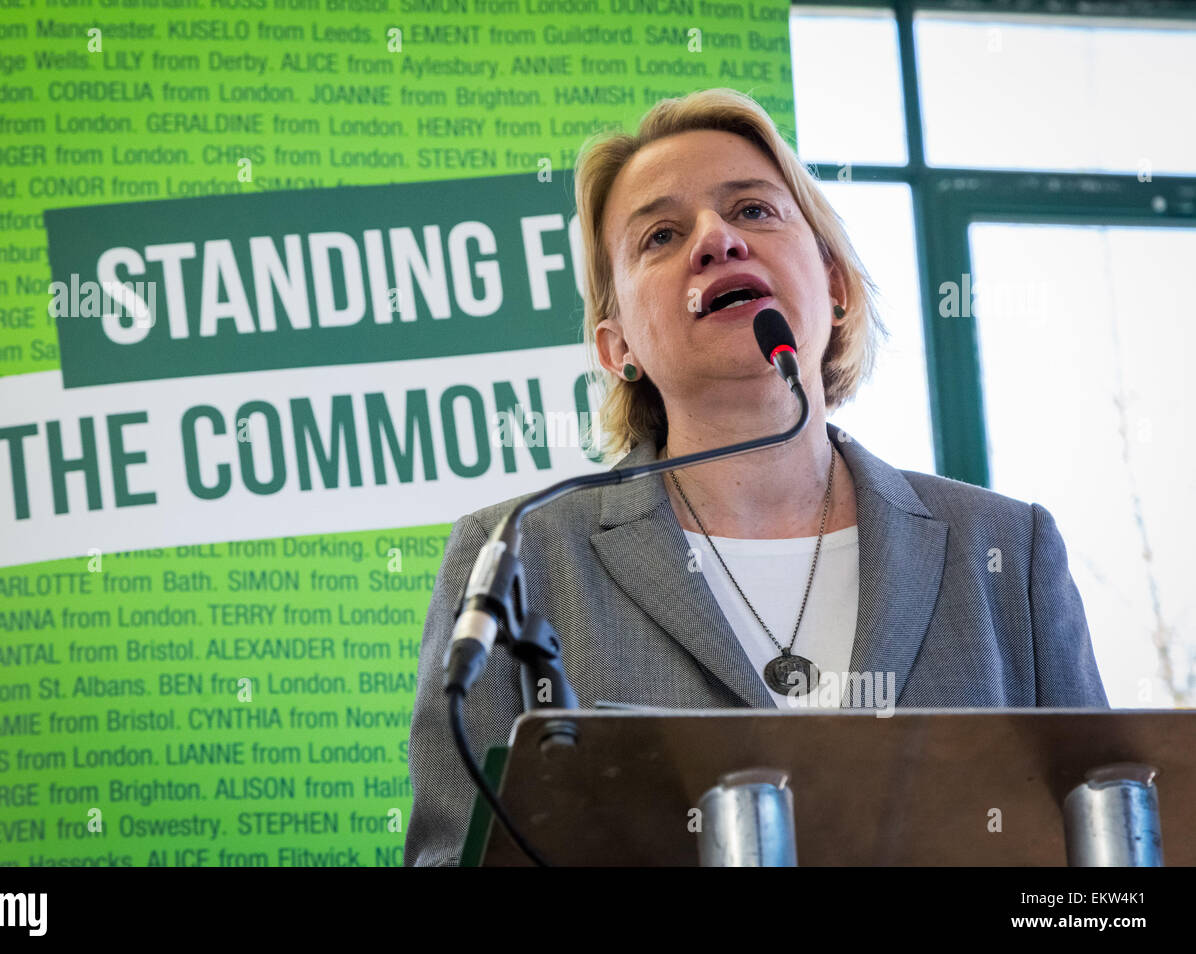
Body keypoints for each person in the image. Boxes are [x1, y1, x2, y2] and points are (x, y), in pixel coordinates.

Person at [403, 88, 1108, 867]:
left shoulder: (1010, 552)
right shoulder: (519, 556)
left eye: (754, 211)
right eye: (661, 234)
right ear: (617, 347)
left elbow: (1106, 855)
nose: (715, 240)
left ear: (836, 288)